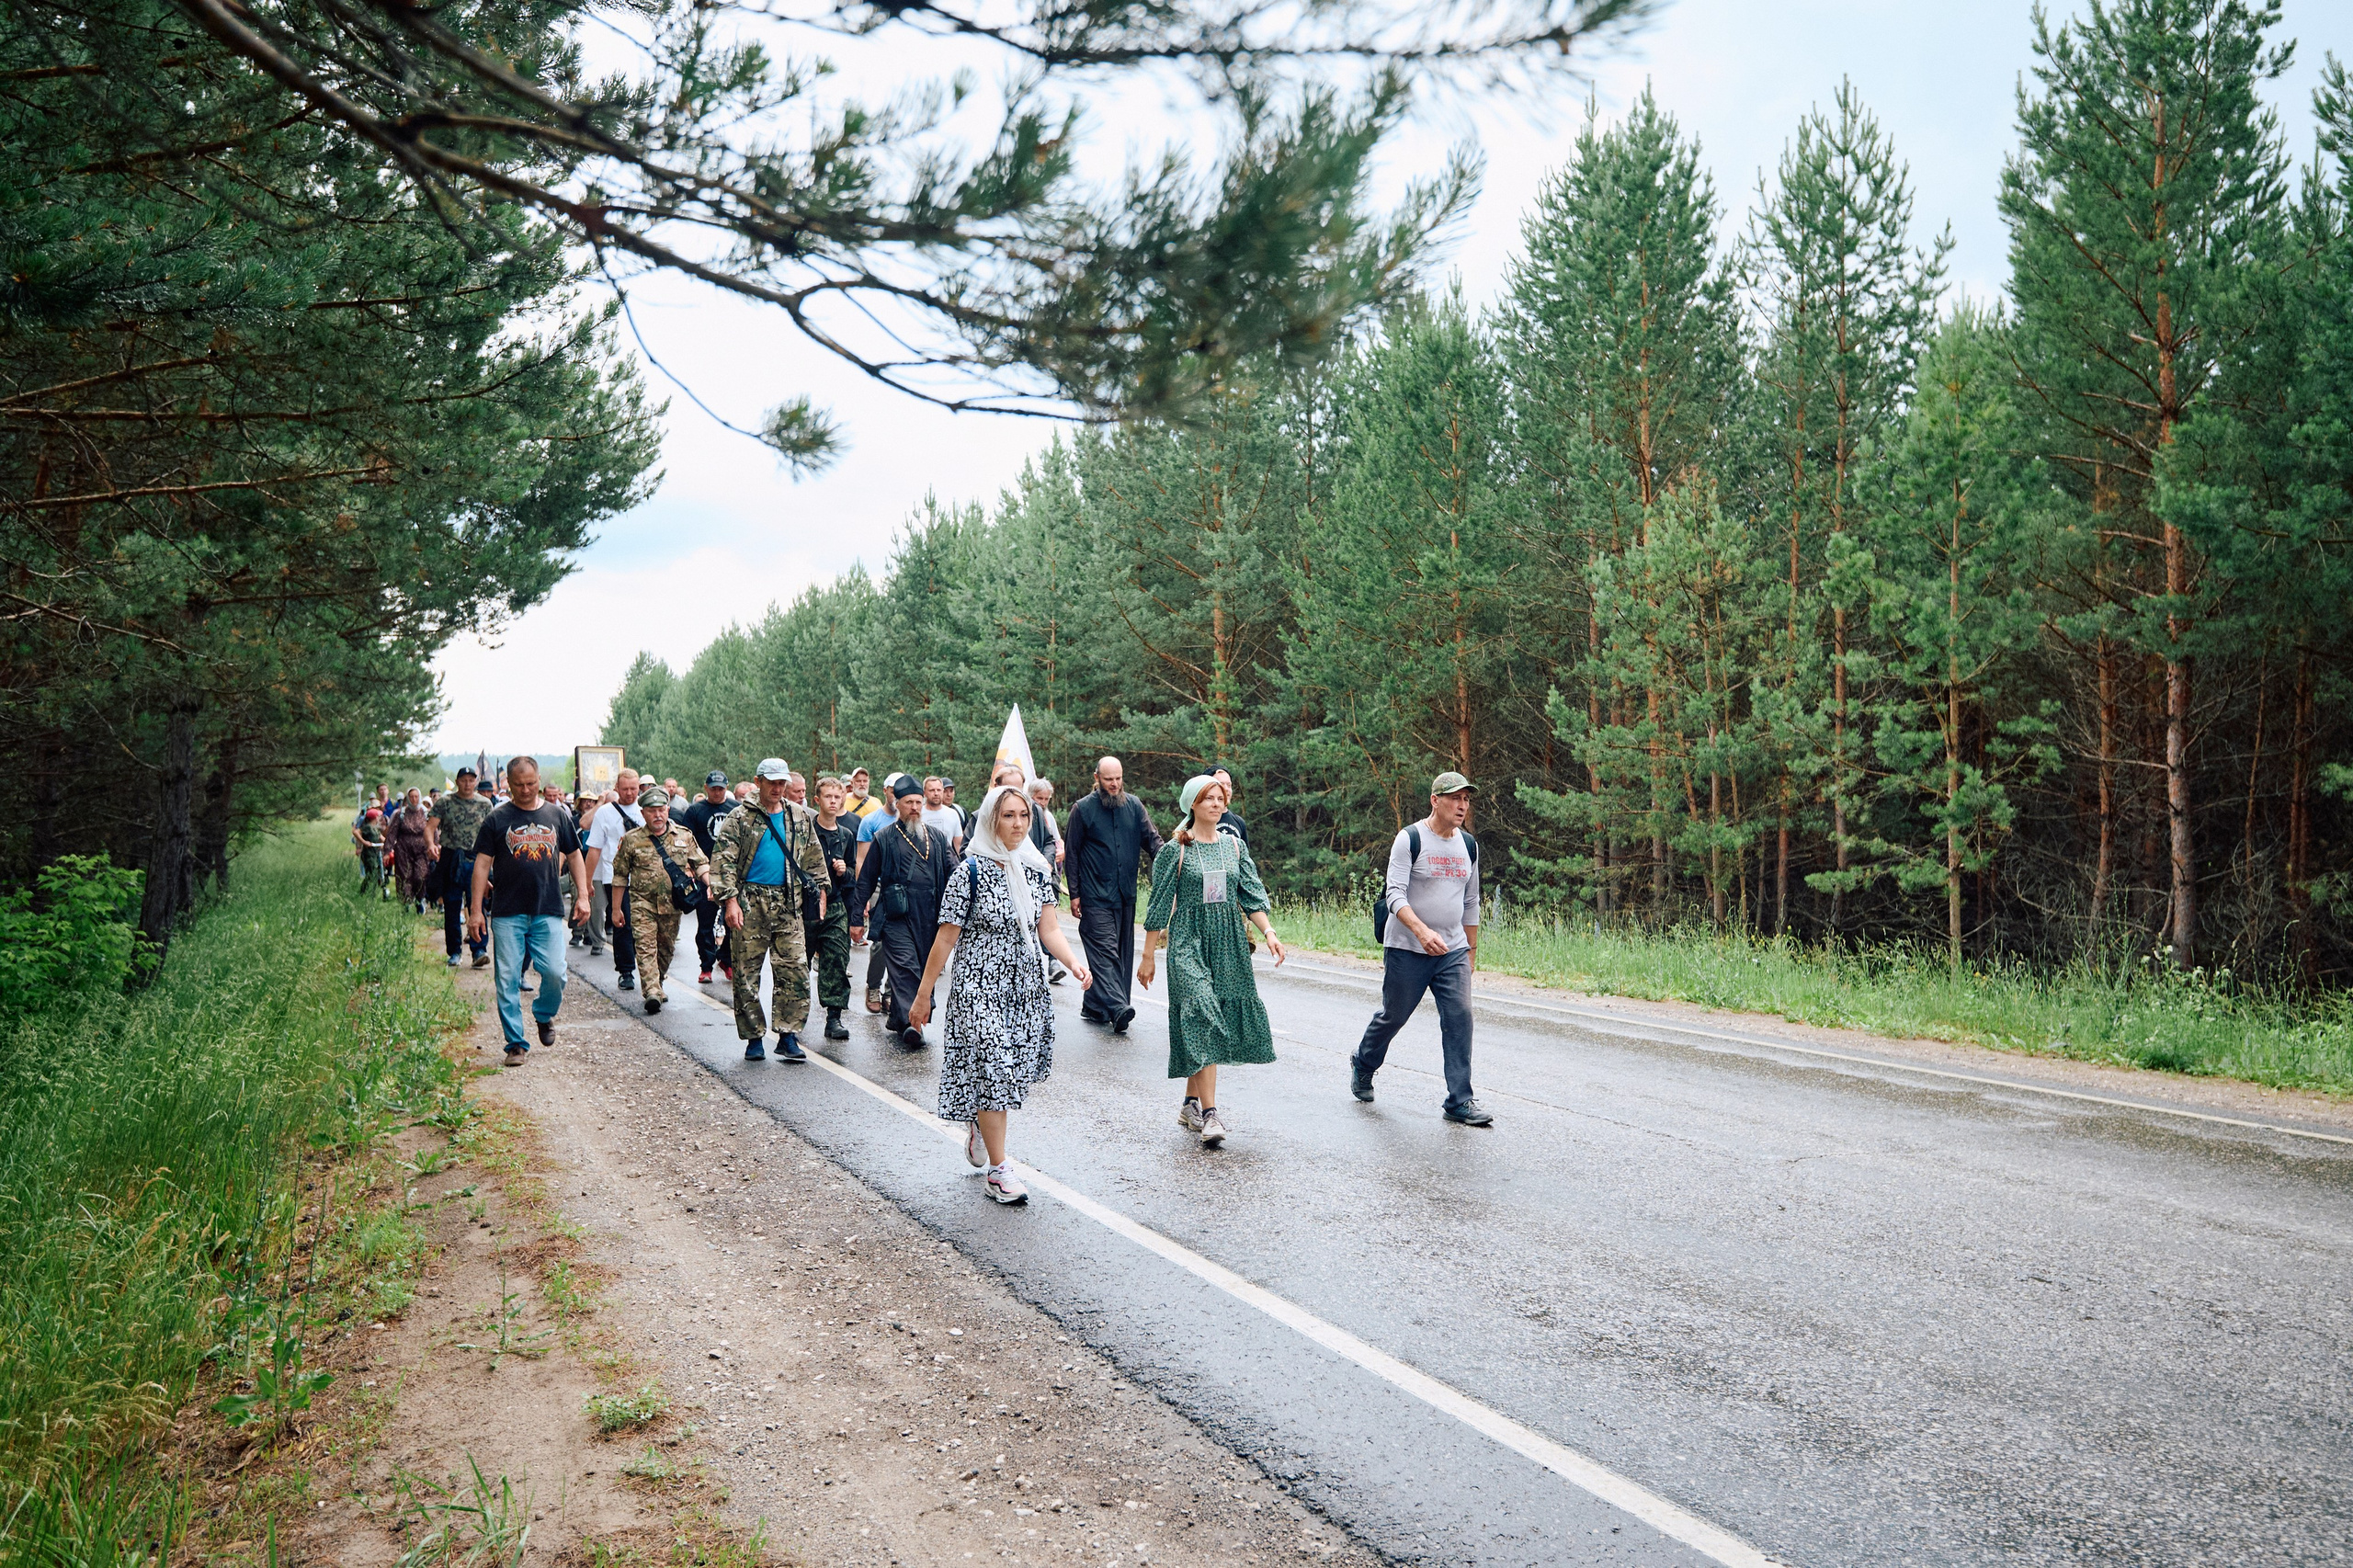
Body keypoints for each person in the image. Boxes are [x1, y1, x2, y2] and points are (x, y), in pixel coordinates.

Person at [907, 786, 1092, 1205]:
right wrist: (923, 997)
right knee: (996, 1067)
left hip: (1023, 986)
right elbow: (944, 940)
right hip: (978, 985)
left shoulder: (1036, 870)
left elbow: (1047, 930)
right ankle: (1000, 1169)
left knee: (1010, 1073)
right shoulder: (968, 872)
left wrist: (1075, 961)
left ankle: (980, 1121)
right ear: (992, 819)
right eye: (1008, 816)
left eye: (1023, 816)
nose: (1017, 824)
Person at [1138, 776, 1286, 1148]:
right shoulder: (1176, 850)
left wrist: (1269, 933)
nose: (1217, 804)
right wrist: (1148, 956)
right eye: (1209, 799)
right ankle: (1210, 1113)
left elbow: (1251, 895)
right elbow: (1158, 906)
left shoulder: (1234, 847)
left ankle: (1190, 1103)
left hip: (1229, 943)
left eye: (1221, 798)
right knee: (1202, 1013)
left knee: (1212, 1017)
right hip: (1188, 940)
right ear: (1193, 804)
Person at [1350, 771, 1492, 1126]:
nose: (1462, 806)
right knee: (1393, 1016)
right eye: (1455, 798)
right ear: (1435, 801)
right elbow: (1394, 893)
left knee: (1460, 1016)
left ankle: (1460, 1100)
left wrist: (1471, 951)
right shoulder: (1410, 838)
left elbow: (1472, 901)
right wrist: (1421, 931)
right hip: (1408, 948)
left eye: (1466, 799)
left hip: (1453, 950)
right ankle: (1364, 1062)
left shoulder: (1469, 845)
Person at [467, 756, 589, 1067]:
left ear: (539, 780)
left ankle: (544, 1014)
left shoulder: (556, 815)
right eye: (519, 784)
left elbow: (575, 856)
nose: (525, 789)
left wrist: (583, 896)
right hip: (508, 912)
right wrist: (476, 910)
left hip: (547, 907)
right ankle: (516, 1044)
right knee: (506, 978)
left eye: (531, 783)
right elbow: (481, 865)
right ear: (508, 783)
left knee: (555, 973)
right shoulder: (497, 819)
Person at [708, 758, 830, 1062]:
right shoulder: (739, 818)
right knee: (747, 973)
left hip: (789, 901)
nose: (777, 788)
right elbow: (722, 861)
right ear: (758, 781)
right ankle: (753, 1038)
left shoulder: (798, 816)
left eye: (782, 783)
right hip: (750, 901)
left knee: (795, 969)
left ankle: (788, 1035)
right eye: (772, 782)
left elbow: (814, 857)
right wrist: (730, 901)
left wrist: (822, 891)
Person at [850, 776, 954, 1048]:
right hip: (896, 915)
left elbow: (955, 873)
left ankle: (899, 1017)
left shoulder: (938, 838)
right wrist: (856, 918)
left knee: (921, 966)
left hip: (931, 915)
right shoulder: (884, 838)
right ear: (898, 804)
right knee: (906, 966)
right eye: (909, 802)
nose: (915, 807)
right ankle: (913, 1024)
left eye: (919, 802)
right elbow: (867, 880)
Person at [1063, 756, 1163, 1032]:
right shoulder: (1081, 810)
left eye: (1118, 778)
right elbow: (1071, 854)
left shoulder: (1134, 806)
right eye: (1109, 779)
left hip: (1125, 895)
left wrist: (1172, 859)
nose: (1115, 784)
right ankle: (1119, 1008)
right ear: (1097, 778)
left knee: (1121, 953)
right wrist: (1074, 893)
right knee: (1106, 952)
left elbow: (1153, 841)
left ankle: (1094, 1007)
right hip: (1094, 895)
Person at [608, 787, 710, 1016]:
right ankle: (651, 991)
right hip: (642, 904)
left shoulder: (684, 835)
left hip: (672, 906)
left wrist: (709, 882)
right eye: (652, 811)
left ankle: (658, 982)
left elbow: (700, 862)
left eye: (662, 810)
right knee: (645, 948)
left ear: (667, 810)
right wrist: (616, 909)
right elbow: (620, 876)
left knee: (665, 950)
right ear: (643, 813)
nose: (658, 815)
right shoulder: (632, 840)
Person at [808, 776, 860, 1040]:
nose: (832, 801)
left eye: (837, 797)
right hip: (806, 905)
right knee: (796, 961)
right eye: (827, 796)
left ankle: (834, 1017)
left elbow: (853, 874)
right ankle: (793, 1014)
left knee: (837, 959)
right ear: (817, 799)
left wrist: (844, 871)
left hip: (837, 905)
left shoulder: (846, 835)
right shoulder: (806, 831)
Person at [676, 770, 740, 983]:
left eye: (721, 788)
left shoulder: (735, 810)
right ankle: (706, 965)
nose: (717, 792)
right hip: (704, 872)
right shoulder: (695, 811)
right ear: (706, 788)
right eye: (713, 788)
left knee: (734, 920)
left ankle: (727, 960)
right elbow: (685, 840)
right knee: (705, 922)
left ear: (727, 787)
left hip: (731, 873)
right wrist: (689, 869)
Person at [584, 768, 645, 988]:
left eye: (633, 789)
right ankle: (626, 971)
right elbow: (595, 849)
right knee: (623, 923)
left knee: (647, 925)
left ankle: (653, 972)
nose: (629, 793)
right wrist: (586, 882)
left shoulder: (646, 809)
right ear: (617, 788)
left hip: (645, 876)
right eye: (625, 789)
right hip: (616, 876)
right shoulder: (605, 813)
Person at [428, 767, 494, 968]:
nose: (467, 784)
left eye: (471, 780)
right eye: (464, 780)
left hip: (477, 858)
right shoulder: (445, 803)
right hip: (451, 857)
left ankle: (479, 949)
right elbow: (430, 827)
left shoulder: (485, 804)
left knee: (478, 904)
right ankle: (454, 951)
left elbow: (492, 835)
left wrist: (493, 864)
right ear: (457, 782)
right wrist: (431, 844)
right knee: (452, 904)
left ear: (475, 782)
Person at [856, 771, 909, 1012]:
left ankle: (890, 991)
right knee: (879, 941)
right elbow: (862, 861)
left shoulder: (913, 820)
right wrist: (862, 899)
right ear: (885, 791)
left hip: (904, 887)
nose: (896, 794)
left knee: (901, 941)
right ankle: (873, 985)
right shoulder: (871, 821)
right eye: (892, 789)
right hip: (878, 885)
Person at [1026, 778, 1068, 983]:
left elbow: (1055, 842)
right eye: (1038, 798)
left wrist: (1057, 855)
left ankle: (1053, 961)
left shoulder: (1048, 817)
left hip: (1046, 876)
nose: (1042, 803)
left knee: (1048, 917)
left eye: (1046, 799)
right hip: (1025, 875)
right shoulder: (1025, 814)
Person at [389, 788, 436, 911]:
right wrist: (387, 851)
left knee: (420, 876)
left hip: (422, 850)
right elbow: (392, 833)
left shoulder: (426, 813)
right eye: (411, 797)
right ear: (408, 798)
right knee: (405, 876)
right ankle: (406, 903)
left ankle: (420, 899)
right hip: (403, 850)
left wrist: (435, 846)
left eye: (416, 797)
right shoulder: (401, 814)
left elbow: (432, 830)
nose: (414, 799)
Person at [920, 777, 964, 854]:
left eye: (939, 790)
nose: (936, 793)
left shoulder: (952, 814)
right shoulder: (918, 814)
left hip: (947, 861)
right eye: (932, 790)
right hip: (923, 862)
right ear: (924, 793)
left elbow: (959, 845)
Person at [355, 807, 391, 898]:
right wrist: (364, 842)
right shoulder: (367, 827)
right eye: (378, 817)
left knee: (376, 873)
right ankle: (363, 892)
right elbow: (356, 832)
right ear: (374, 817)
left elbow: (383, 839)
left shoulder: (375, 829)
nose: (379, 819)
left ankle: (372, 893)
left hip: (375, 854)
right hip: (368, 854)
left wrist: (388, 844)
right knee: (371, 874)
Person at [1209, 763, 1248, 843]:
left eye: (1229, 785)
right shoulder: (1197, 821)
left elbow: (1244, 854)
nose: (1226, 789)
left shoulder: (1239, 822)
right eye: (1221, 784)